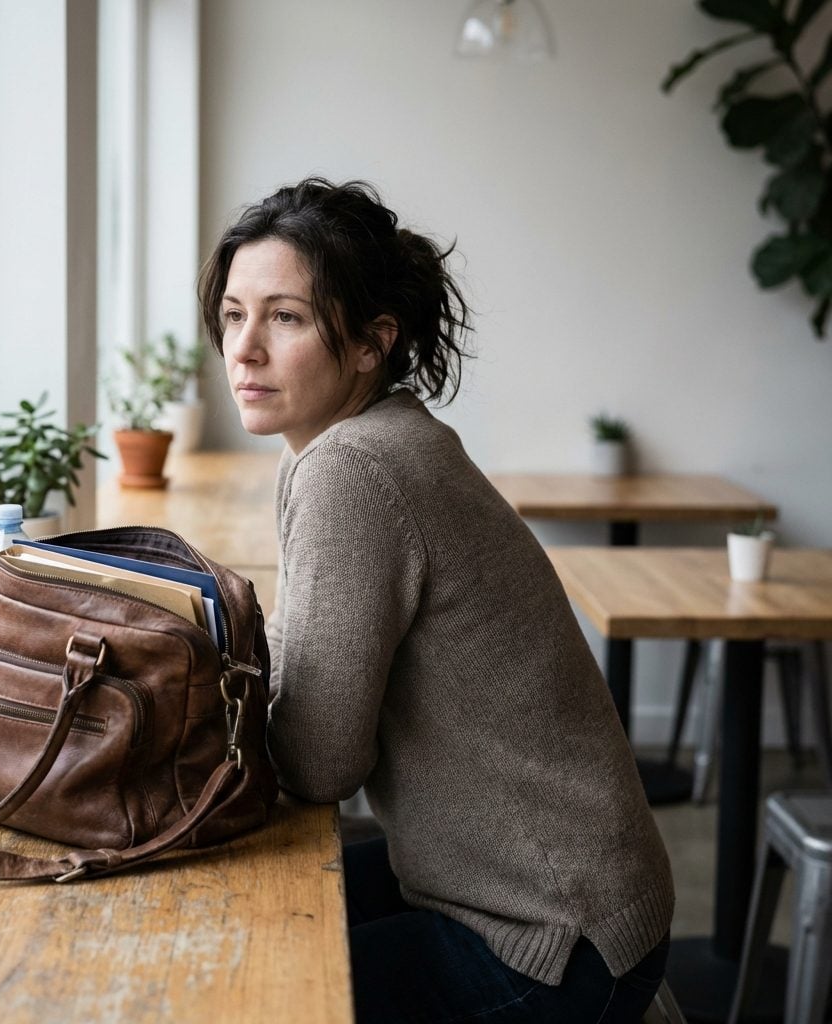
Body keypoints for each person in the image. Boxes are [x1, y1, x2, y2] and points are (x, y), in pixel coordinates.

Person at [198, 178, 673, 1023]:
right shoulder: (370, 438)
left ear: (373, 341)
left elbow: (318, 764)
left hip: (553, 942)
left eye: (286, 317)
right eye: (234, 314)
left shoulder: (354, 468)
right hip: (546, 892)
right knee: (237, 919)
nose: (245, 349)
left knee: (239, 989)